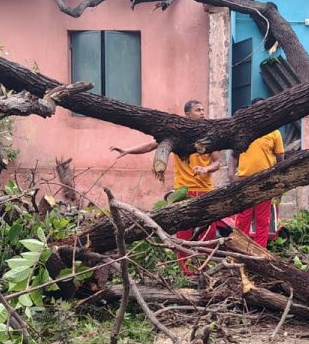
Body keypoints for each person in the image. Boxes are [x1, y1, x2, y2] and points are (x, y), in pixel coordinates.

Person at [110, 100, 222, 272]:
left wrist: (206, 168)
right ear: (187, 114)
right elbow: (152, 145)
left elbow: (217, 163)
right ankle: (186, 273)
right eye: (197, 110)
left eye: (202, 110)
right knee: (183, 232)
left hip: (206, 190)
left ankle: (205, 271)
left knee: (208, 232)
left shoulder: (210, 135)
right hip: (182, 191)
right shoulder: (177, 135)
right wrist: (127, 150)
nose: (202, 112)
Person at [234, 114, 285, 248]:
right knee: (243, 218)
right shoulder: (244, 130)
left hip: (265, 181)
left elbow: (280, 157)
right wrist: (231, 175)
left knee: (262, 220)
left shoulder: (274, 132)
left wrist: (277, 176)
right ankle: (240, 249)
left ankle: (259, 250)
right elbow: (234, 154)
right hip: (245, 181)